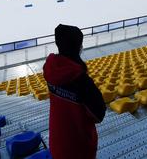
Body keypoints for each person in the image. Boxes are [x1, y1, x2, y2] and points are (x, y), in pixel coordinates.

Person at [43, 24, 105, 159]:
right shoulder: (82, 81)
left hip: (57, 142)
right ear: (77, 47)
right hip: (78, 147)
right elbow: (99, 115)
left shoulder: (50, 70)